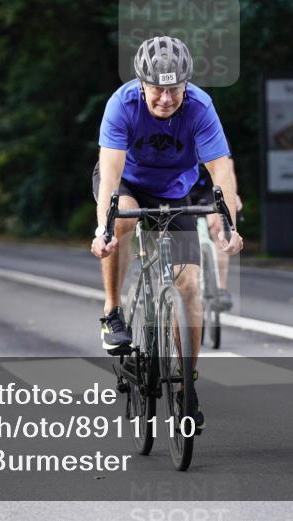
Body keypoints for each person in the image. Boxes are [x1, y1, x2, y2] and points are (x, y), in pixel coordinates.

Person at [91, 36, 243, 431]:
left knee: (189, 283)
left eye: (174, 89)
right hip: (127, 184)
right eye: (158, 89)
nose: (165, 98)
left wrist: (229, 221)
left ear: (186, 85)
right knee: (122, 216)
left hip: (175, 191)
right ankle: (112, 312)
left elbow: (220, 169)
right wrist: (103, 226)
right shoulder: (122, 104)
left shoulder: (200, 107)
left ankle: (186, 388)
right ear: (142, 84)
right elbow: (109, 173)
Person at [188, 163, 242, 310]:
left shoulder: (215, 139)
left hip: (209, 189)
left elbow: (227, 171)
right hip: (181, 188)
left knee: (219, 228)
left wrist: (231, 196)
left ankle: (221, 289)